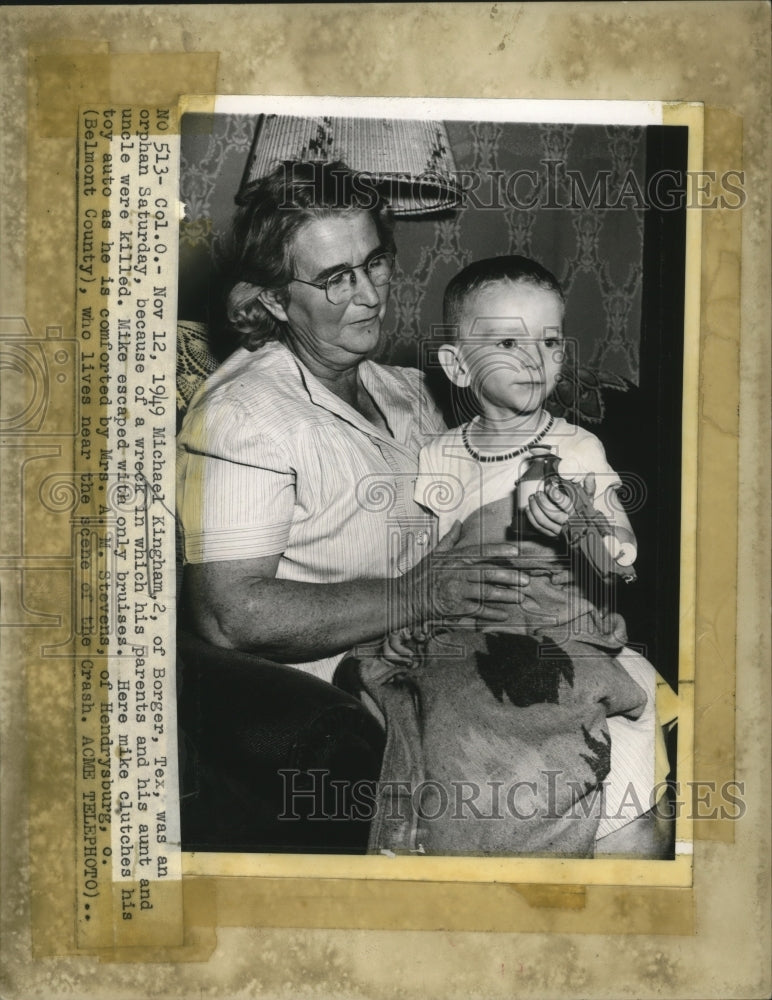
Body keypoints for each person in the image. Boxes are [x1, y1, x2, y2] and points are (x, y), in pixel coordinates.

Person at [357, 255, 671, 857]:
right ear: (456, 365)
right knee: (433, 711)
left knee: (540, 711)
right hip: (466, 630)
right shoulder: (438, 457)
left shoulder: (576, 447)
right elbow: (429, 560)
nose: (535, 358)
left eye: (550, 341)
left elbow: (621, 559)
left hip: (556, 623)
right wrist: (406, 621)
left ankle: (544, 835)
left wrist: (580, 525)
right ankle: (441, 841)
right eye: (508, 340)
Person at [176, 163, 529, 691]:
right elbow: (231, 615)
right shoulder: (244, 415)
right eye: (335, 278)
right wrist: (413, 597)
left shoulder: (409, 390)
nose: (368, 295)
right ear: (274, 298)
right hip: (333, 699)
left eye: (374, 263)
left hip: (439, 655)